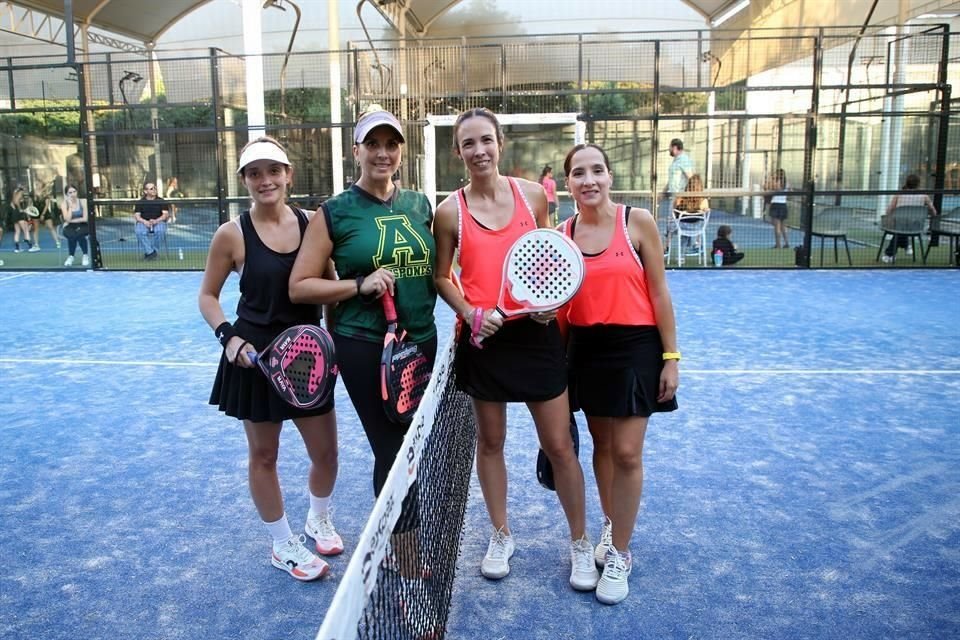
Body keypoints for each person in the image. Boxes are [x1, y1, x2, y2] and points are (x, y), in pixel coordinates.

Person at [432, 107, 599, 592]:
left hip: (536, 340)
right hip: (484, 341)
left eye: (486, 140)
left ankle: (580, 543)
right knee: (490, 442)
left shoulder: (532, 197)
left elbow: (545, 257)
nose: (479, 150)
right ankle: (501, 535)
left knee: (561, 446)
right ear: (458, 151)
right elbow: (443, 276)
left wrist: (549, 304)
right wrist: (470, 313)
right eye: (469, 143)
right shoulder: (449, 212)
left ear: (499, 143)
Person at [288, 109, 437, 575]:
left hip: (421, 343)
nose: (382, 152)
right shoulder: (334, 212)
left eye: (391, 144)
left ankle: (401, 534)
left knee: (411, 446)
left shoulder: (420, 205)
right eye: (372, 144)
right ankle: (403, 550)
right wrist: (357, 285)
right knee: (391, 447)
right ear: (357, 151)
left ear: (401, 152)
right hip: (365, 346)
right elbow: (301, 286)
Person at [198, 136, 341, 582]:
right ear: (244, 180)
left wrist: (335, 345)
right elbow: (207, 296)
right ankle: (282, 543)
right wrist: (228, 338)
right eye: (255, 173)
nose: (265, 180)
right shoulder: (231, 234)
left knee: (328, 453)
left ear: (288, 175)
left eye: (273, 171)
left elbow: (331, 286)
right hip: (254, 358)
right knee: (264, 456)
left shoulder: (315, 222)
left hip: (308, 359)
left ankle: (317, 518)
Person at [560, 143, 679, 605]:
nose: (588, 180)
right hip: (586, 350)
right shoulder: (562, 233)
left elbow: (660, 292)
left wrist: (671, 357)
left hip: (636, 348)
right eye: (578, 173)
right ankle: (611, 527)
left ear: (610, 177)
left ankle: (621, 554)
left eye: (597, 171)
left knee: (627, 452)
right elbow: (561, 305)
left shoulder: (638, 222)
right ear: (567, 183)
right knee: (602, 446)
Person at [882, 173, 938, 263]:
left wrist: (887, 217)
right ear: (918, 184)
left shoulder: (899, 194)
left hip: (900, 225)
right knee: (903, 228)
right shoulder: (924, 196)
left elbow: (889, 210)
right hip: (916, 226)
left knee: (899, 230)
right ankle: (906, 245)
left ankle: (890, 253)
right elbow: (933, 211)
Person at [670, 173, 709, 255]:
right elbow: (706, 213)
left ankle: (673, 251)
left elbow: (674, 211)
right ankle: (697, 244)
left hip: (682, 227)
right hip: (698, 228)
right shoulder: (703, 200)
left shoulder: (680, 199)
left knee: (672, 226)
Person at [134, 182, 170, 260]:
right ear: (145, 191)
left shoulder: (161, 201)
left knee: (160, 231)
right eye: (151, 189)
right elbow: (137, 216)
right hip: (144, 222)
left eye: (154, 188)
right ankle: (151, 252)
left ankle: (152, 252)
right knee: (139, 231)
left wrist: (156, 221)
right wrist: (144, 222)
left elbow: (165, 215)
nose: (154, 190)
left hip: (158, 222)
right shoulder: (140, 202)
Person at [663, 138, 694, 220]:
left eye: (670, 147)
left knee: (674, 219)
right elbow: (672, 179)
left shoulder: (683, 160)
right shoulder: (676, 161)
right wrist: (664, 191)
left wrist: (687, 195)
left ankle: (672, 232)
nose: (669, 149)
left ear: (675, 148)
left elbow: (691, 177)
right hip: (674, 195)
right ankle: (671, 232)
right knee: (672, 219)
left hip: (679, 196)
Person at [61, 185, 91, 267]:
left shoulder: (83, 201)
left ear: (77, 192)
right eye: (70, 192)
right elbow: (67, 218)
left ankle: (85, 255)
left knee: (79, 234)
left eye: (74, 191)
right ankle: (71, 256)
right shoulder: (64, 204)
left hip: (83, 225)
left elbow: (85, 218)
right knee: (71, 235)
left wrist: (71, 220)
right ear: (67, 194)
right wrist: (70, 207)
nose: (73, 194)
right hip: (69, 226)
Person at [765, 168, 790, 249]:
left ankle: (778, 245)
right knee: (783, 226)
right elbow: (790, 190)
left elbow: (769, 188)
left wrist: (770, 180)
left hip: (776, 205)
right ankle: (786, 243)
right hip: (783, 205)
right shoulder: (787, 183)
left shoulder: (777, 182)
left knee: (777, 226)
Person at [10, 187, 38, 253]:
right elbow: (17, 202)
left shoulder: (14, 195)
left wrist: (18, 209)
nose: (25, 191)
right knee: (26, 230)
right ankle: (30, 247)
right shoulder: (20, 193)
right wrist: (20, 209)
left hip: (14, 214)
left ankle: (17, 249)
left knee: (17, 231)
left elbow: (12, 204)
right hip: (19, 214)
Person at [36, 181, 61, 249]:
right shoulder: (33, 193)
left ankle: (57, 242)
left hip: (45, 213)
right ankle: (36, 244)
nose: (37, 184)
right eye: (37, 183)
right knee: (36, 229)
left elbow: (46, 205)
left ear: (42, 185)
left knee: (50, 227)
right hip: (35, 213)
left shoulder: (45, 194)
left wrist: (43, 214)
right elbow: (30, 203)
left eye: (39, 183)